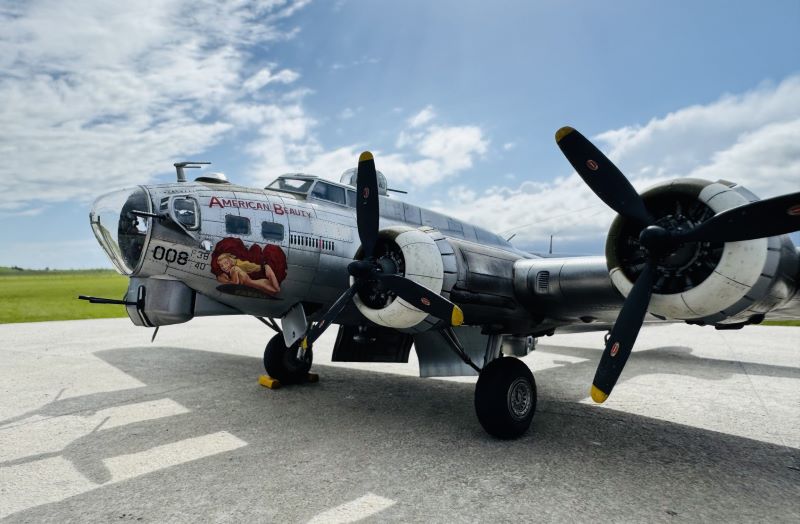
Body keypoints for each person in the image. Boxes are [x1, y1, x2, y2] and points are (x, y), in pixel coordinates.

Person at [216, 252, 280, 295]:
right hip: (259, 283)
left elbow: (235, 283)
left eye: (226, 263)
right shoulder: (234, 269)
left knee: (276, 290)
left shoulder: (234, 269)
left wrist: (223, 280)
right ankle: (267, 268)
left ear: (231, 261)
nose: (224, 267)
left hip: (259, 284)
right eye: (221, 265)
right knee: (275, 291)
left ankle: (268, 268)